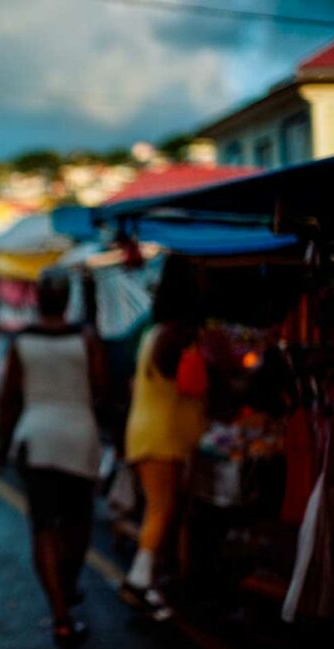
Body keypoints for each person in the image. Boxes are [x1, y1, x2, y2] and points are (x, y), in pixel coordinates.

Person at [0, 271, 106, 645]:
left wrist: (0, 451)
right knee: (78, 522)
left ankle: (60, 616)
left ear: (38, 298)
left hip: (35, 439)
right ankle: (68, 585)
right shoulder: (85, 338)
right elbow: (102, 388)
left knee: (43, 527)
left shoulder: (22, 341)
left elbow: (9, 400)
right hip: (79, 437)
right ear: (67, 297)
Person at [118, 254, 207, 620]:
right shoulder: (175, 338)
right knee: (161, 510)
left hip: (148, 431)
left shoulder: (153, 333)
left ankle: (150, 582)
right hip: (163, 436)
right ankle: (138, 582)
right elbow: (192, 387)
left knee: (160, 510)